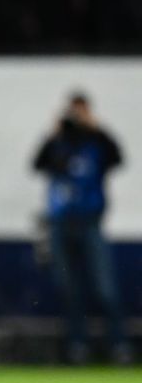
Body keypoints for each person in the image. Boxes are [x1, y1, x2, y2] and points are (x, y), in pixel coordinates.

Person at [33, 93, 131, 365]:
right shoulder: (58, 143)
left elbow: (118, 158)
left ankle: (119, 344)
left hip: (90, 223)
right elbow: (37, 164)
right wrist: (53, 133)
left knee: (105, 288)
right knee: (68, 289)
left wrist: (96, 127)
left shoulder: (96, 143)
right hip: (61, 224)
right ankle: (77, 346)